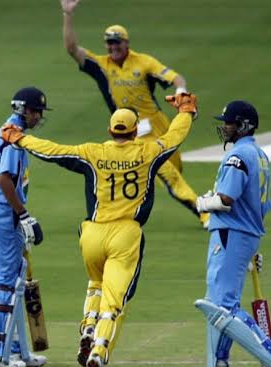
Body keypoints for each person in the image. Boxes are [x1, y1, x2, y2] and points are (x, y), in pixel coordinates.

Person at [0, 93, 198, 367]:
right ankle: (98, 353)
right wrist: (186, 110)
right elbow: (175, 135)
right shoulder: (149, 151)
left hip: (91, 234)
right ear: (134, 132)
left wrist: (19, 139)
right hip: (125, 235)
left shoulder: (92, 152)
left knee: (95, 282)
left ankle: (88, 329)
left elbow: (53, 150)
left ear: (110, 131)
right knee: (114, 303)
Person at [60, 0, 208, 229]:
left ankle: (142, 194)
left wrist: (180, 92)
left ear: (126, 42)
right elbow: (72, 49)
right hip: (133, 132)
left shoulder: (143, 62)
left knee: (175, 168)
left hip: (160, 124)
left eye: (116, 42)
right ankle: (204, 213)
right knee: (169, 174)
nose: (112, 47)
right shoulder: (101, 66)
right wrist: (67, 14)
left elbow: (177, 79)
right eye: (109, 43)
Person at [184, 101, 271, 367]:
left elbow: (225, 200)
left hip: (230, 234)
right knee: (216, 302)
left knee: (222, 308)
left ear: (243, 125)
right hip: (242, 235)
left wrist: (201, 203)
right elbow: (259, 205)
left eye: (229, 122)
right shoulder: (260, 156)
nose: (224, 127)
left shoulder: (238, 155)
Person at [0, 87, 49, 367]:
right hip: (2, 210)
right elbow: (5, 179)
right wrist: (24, 215)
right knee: (8, 282)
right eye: (37, 111)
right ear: (25, 110)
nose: (39, 116)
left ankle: (17, 349)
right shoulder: (13, 138)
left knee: (13, 278)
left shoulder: (4, 131)